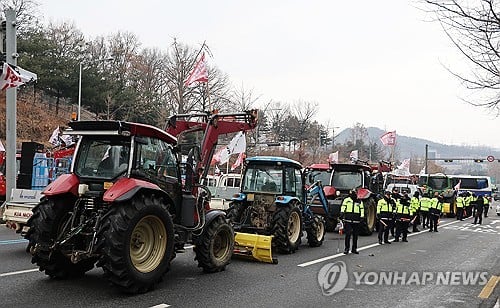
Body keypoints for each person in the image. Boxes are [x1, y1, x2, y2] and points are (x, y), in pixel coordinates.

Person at [340, 189, 364, 254]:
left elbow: (361, 209)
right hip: (348, 219)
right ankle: (346, 248)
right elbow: (343, 206)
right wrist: (342, 213)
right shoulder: (347, 200)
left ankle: (354, 249)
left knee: (355, 235)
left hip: (356, 220)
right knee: (348, 234)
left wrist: (362, 216)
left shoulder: (359, 201)